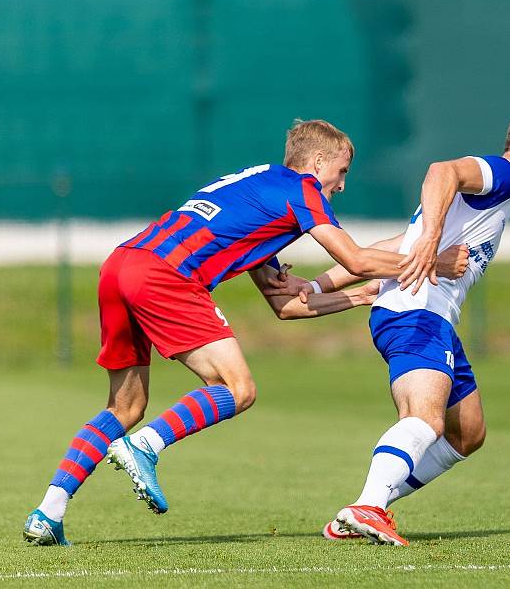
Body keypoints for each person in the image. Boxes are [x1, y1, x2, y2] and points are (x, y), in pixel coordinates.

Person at [23, 119, 468, 546]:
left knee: (125, 405)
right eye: (341, 171)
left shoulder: (255, 189)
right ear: (316, 164)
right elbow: (355, 258)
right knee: (238, 388)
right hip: (165, 275)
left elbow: (286, 305)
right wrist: (434, 263)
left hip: (121, 265)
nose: (342, 184)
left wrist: (364, 297)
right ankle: (146, 445)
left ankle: (49, 511)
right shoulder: (303, 190)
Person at [282, 103, 510, 545]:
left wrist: (314, 285)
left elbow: (396, 245)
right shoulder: (502, 174)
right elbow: (441, 171)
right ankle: (368, 504)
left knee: (468, 432)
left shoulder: (498, 197)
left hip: (433, 316)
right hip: (416, 312)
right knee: (424, 419)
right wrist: (429, 244)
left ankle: (367, 506)